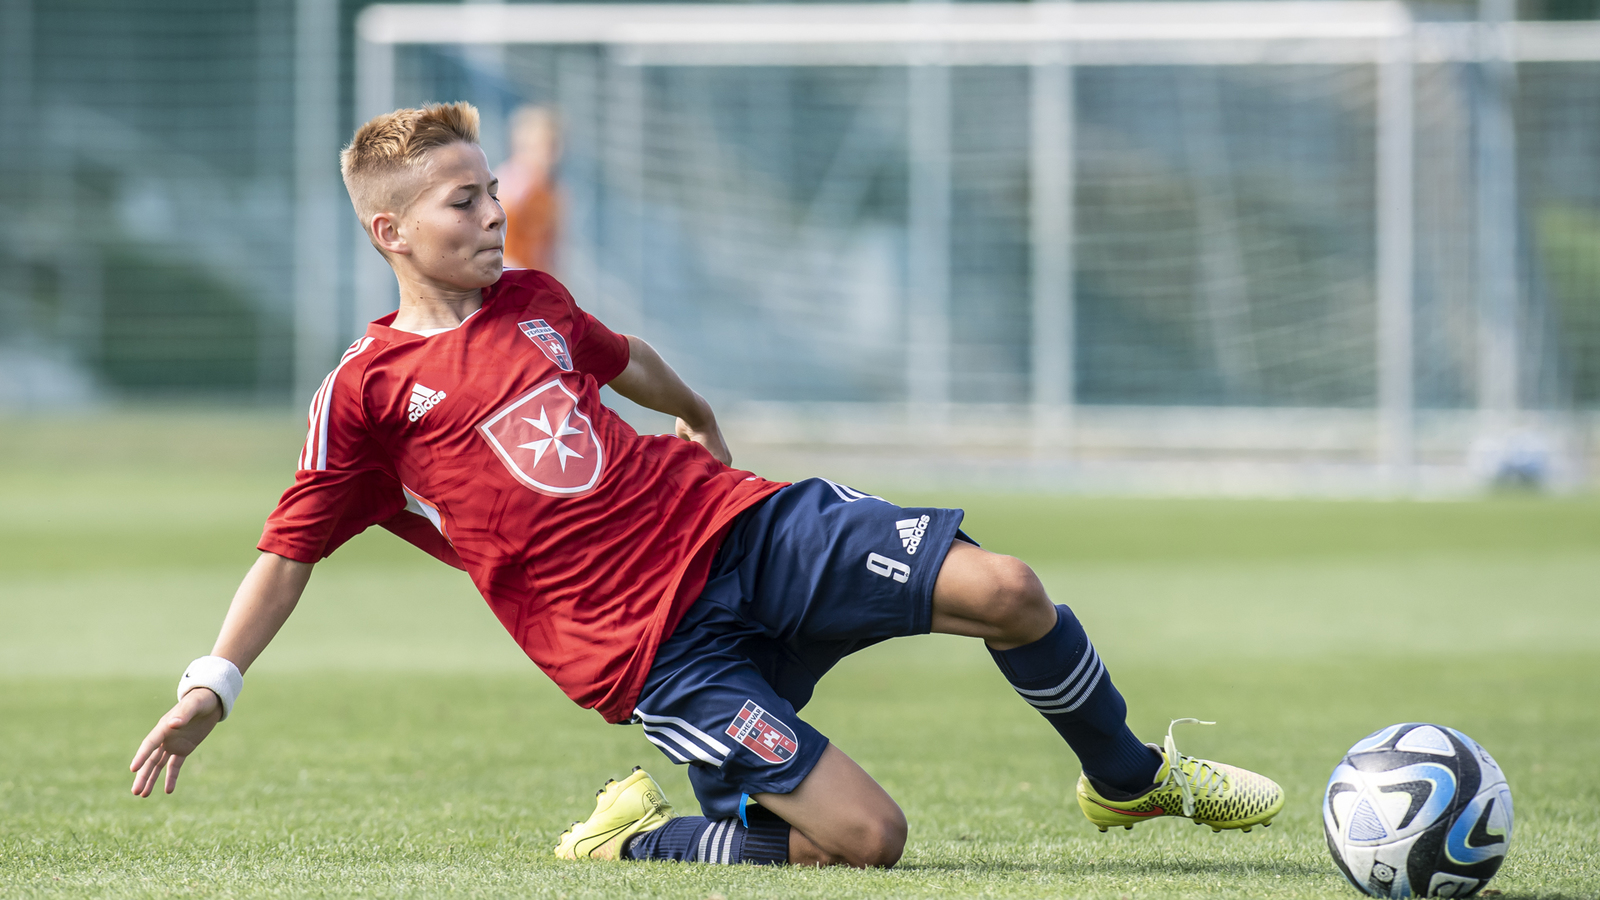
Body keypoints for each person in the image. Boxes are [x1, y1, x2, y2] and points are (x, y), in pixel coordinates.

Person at [129, 102, 1283, 869]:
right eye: (462, 201)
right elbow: (285, 558)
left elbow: (620, 357)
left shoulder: (532, 299)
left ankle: (1127, 780)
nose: (491, 213)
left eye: (489, 191)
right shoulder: (366, 391)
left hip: (739, 528)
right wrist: (211, 686)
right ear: (390, 232)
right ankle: (638, 838)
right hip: (648, 648)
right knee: (866, 843)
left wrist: (695, 414)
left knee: (1010, 591)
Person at [495, 105, 561, 273]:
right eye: (543, 147)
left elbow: (555, 252)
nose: (549, 156)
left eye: (552, 146)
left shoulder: (551, 192)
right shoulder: (508, 192)